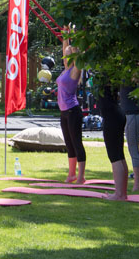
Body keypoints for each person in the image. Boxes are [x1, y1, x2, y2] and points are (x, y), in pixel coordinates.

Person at [56, 25, 86, 184]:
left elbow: (77, 52)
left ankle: (81, 176)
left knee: (76, 142)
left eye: (69, 53)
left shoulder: (76, 70)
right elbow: (65, 49)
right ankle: (71, 174)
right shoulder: (66, 69)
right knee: (69, 143)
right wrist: (66, 34)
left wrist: (75, 35)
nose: (65, 54)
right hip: (64, 112)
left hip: (73, 111)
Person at [96, 85, 127, 200]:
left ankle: (119, 194)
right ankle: (122, 193)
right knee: (120, 155)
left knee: (115, 157)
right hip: (116, 113)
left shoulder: (103, 76)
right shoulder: (113, 74)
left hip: (112, 116)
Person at [120, 85, 139, 191]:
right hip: (132, 114)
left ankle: (138, 184)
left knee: (134, 150)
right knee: (133, 149)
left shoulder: (130, 75)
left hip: (133, 114)